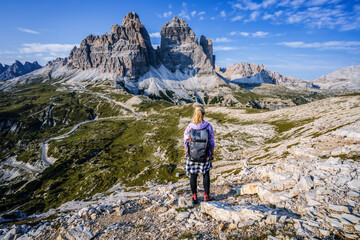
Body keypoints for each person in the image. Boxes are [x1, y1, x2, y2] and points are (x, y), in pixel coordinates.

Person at [184, 104, 215, 204]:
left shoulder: (190, 127)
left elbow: (186, 141)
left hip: (192, 155)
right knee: (205, 174)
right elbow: (211, 142)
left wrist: (186, 153)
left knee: (193, 175)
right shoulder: (208, 126)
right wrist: (212, 154)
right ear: (204, 114)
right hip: (204, 155)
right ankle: (206, 196)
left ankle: (194, 197)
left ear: (194, 114)